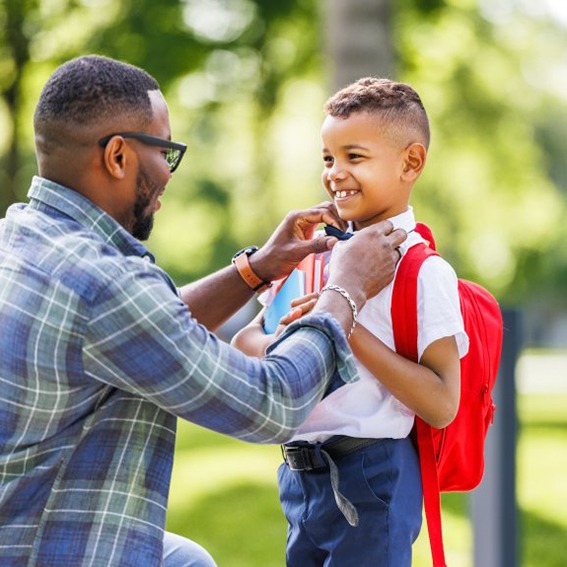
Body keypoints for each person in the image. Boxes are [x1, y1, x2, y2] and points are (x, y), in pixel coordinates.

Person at [0, 57, 407, 567]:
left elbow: (148, 329)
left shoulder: (22, 239)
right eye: (166, 152)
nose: (168, 175)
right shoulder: (104, 284)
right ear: (119, 157)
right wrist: (345, 289)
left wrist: (255, 270)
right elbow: (272, 405)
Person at [231, 77, 469, 566]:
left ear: (411, 162)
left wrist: (342, 321)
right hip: (301, 478)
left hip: (374, 472)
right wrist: (295, 334)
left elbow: (442, 404)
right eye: (327, 158)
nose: (335, 173)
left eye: (354, 157)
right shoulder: (312, 256)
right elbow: (245, 341)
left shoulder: (424, 273)